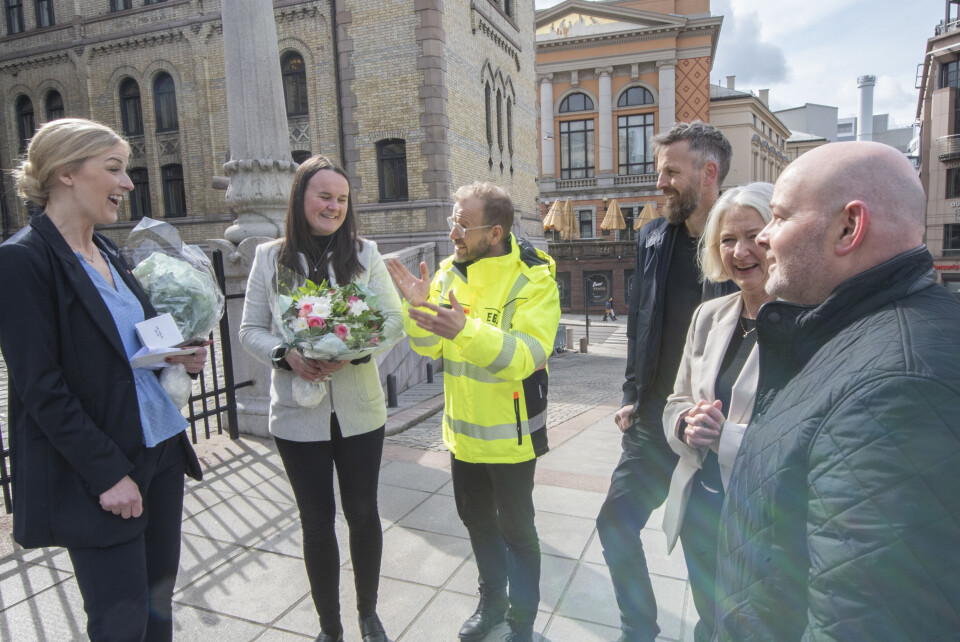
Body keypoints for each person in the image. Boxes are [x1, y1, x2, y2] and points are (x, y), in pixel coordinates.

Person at [714, 142, 960, 641]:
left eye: (780, 217)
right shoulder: (860, 332)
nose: (764, 237)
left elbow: (863, 619)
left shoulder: (898, 389)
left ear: (849, 227)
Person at [0, 118, 207, 641]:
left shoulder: (109, 250)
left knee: (158, 610)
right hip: (106, 471)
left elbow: (130, 347)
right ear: (66, 173)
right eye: (114, 169)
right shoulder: (22, 260)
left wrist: (177, 355)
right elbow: (40, 387)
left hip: (160, 451)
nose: (128, 183)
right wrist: (108, 474)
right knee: (121, 625)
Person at [386, 182, 560, 642]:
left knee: (518, 534)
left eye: (463, 225)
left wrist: (465, 330)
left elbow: (527, 355)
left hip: (511, 441)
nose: (453, 234)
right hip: (463, 438)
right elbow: (427, 347)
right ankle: (492, 603)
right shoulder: (447, 273)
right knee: (478, 525)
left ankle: (522, 622)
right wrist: (417, 307)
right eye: (452, 222)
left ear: (495, 232)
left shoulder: (533, 278)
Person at [238, 156, 402, 642]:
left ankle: (368, 613)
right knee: (315, 521)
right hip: (296, 415)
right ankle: (330, 627)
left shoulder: (365, 253)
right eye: (324, 196)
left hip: (360, 411)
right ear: (300, 198)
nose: (334, 206)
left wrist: (353, 349)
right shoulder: (270, 257)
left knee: (363, 513)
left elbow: (394, 321)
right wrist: (285, 354)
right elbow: (250, 329)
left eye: (342, 199)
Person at [595, 121, 734, 642]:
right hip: (655, 418)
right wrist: (632, 393)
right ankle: (639, 629)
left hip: (715, 429)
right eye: (660, 172)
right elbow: (641, 320)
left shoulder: (742, 242)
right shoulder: (653, 237)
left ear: (709, 172)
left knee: (706, 556)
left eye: (672, 172)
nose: (660, 184)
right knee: (615, 522)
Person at [659, 182, 775, 640]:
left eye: (754, 236)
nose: (740, 251)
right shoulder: (708, 315)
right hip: (700, 508)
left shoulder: (808, 322)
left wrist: (725, 437)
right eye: (728, 239)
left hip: (761, 519)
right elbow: (676, 400)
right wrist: (685, 425)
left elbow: (805, 435)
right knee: (708, 618)